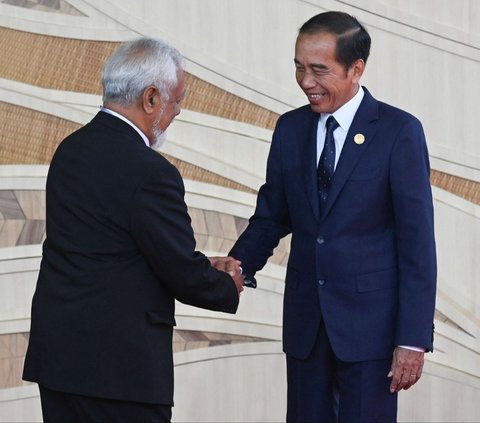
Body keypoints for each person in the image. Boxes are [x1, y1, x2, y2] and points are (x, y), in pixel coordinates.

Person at [229, 11, 437, 423]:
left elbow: (417, 244)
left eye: (319, 70)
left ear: (356, 69)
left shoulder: (399, 131)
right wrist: (236, 265)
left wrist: (412, 339)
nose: (306, 81)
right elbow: (272, 215)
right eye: (299, 68)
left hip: (370, 331)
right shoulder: (290, 129)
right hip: (307, 326)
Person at [23, 37, 244, 423]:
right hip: (118, 372)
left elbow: (110, 246)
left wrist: (200, 263)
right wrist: (226, 283)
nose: (177, 111)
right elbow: (179, 270)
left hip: (60, 359)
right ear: (151, 98)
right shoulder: (151, 172)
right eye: (176, 101)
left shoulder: (70, 150)